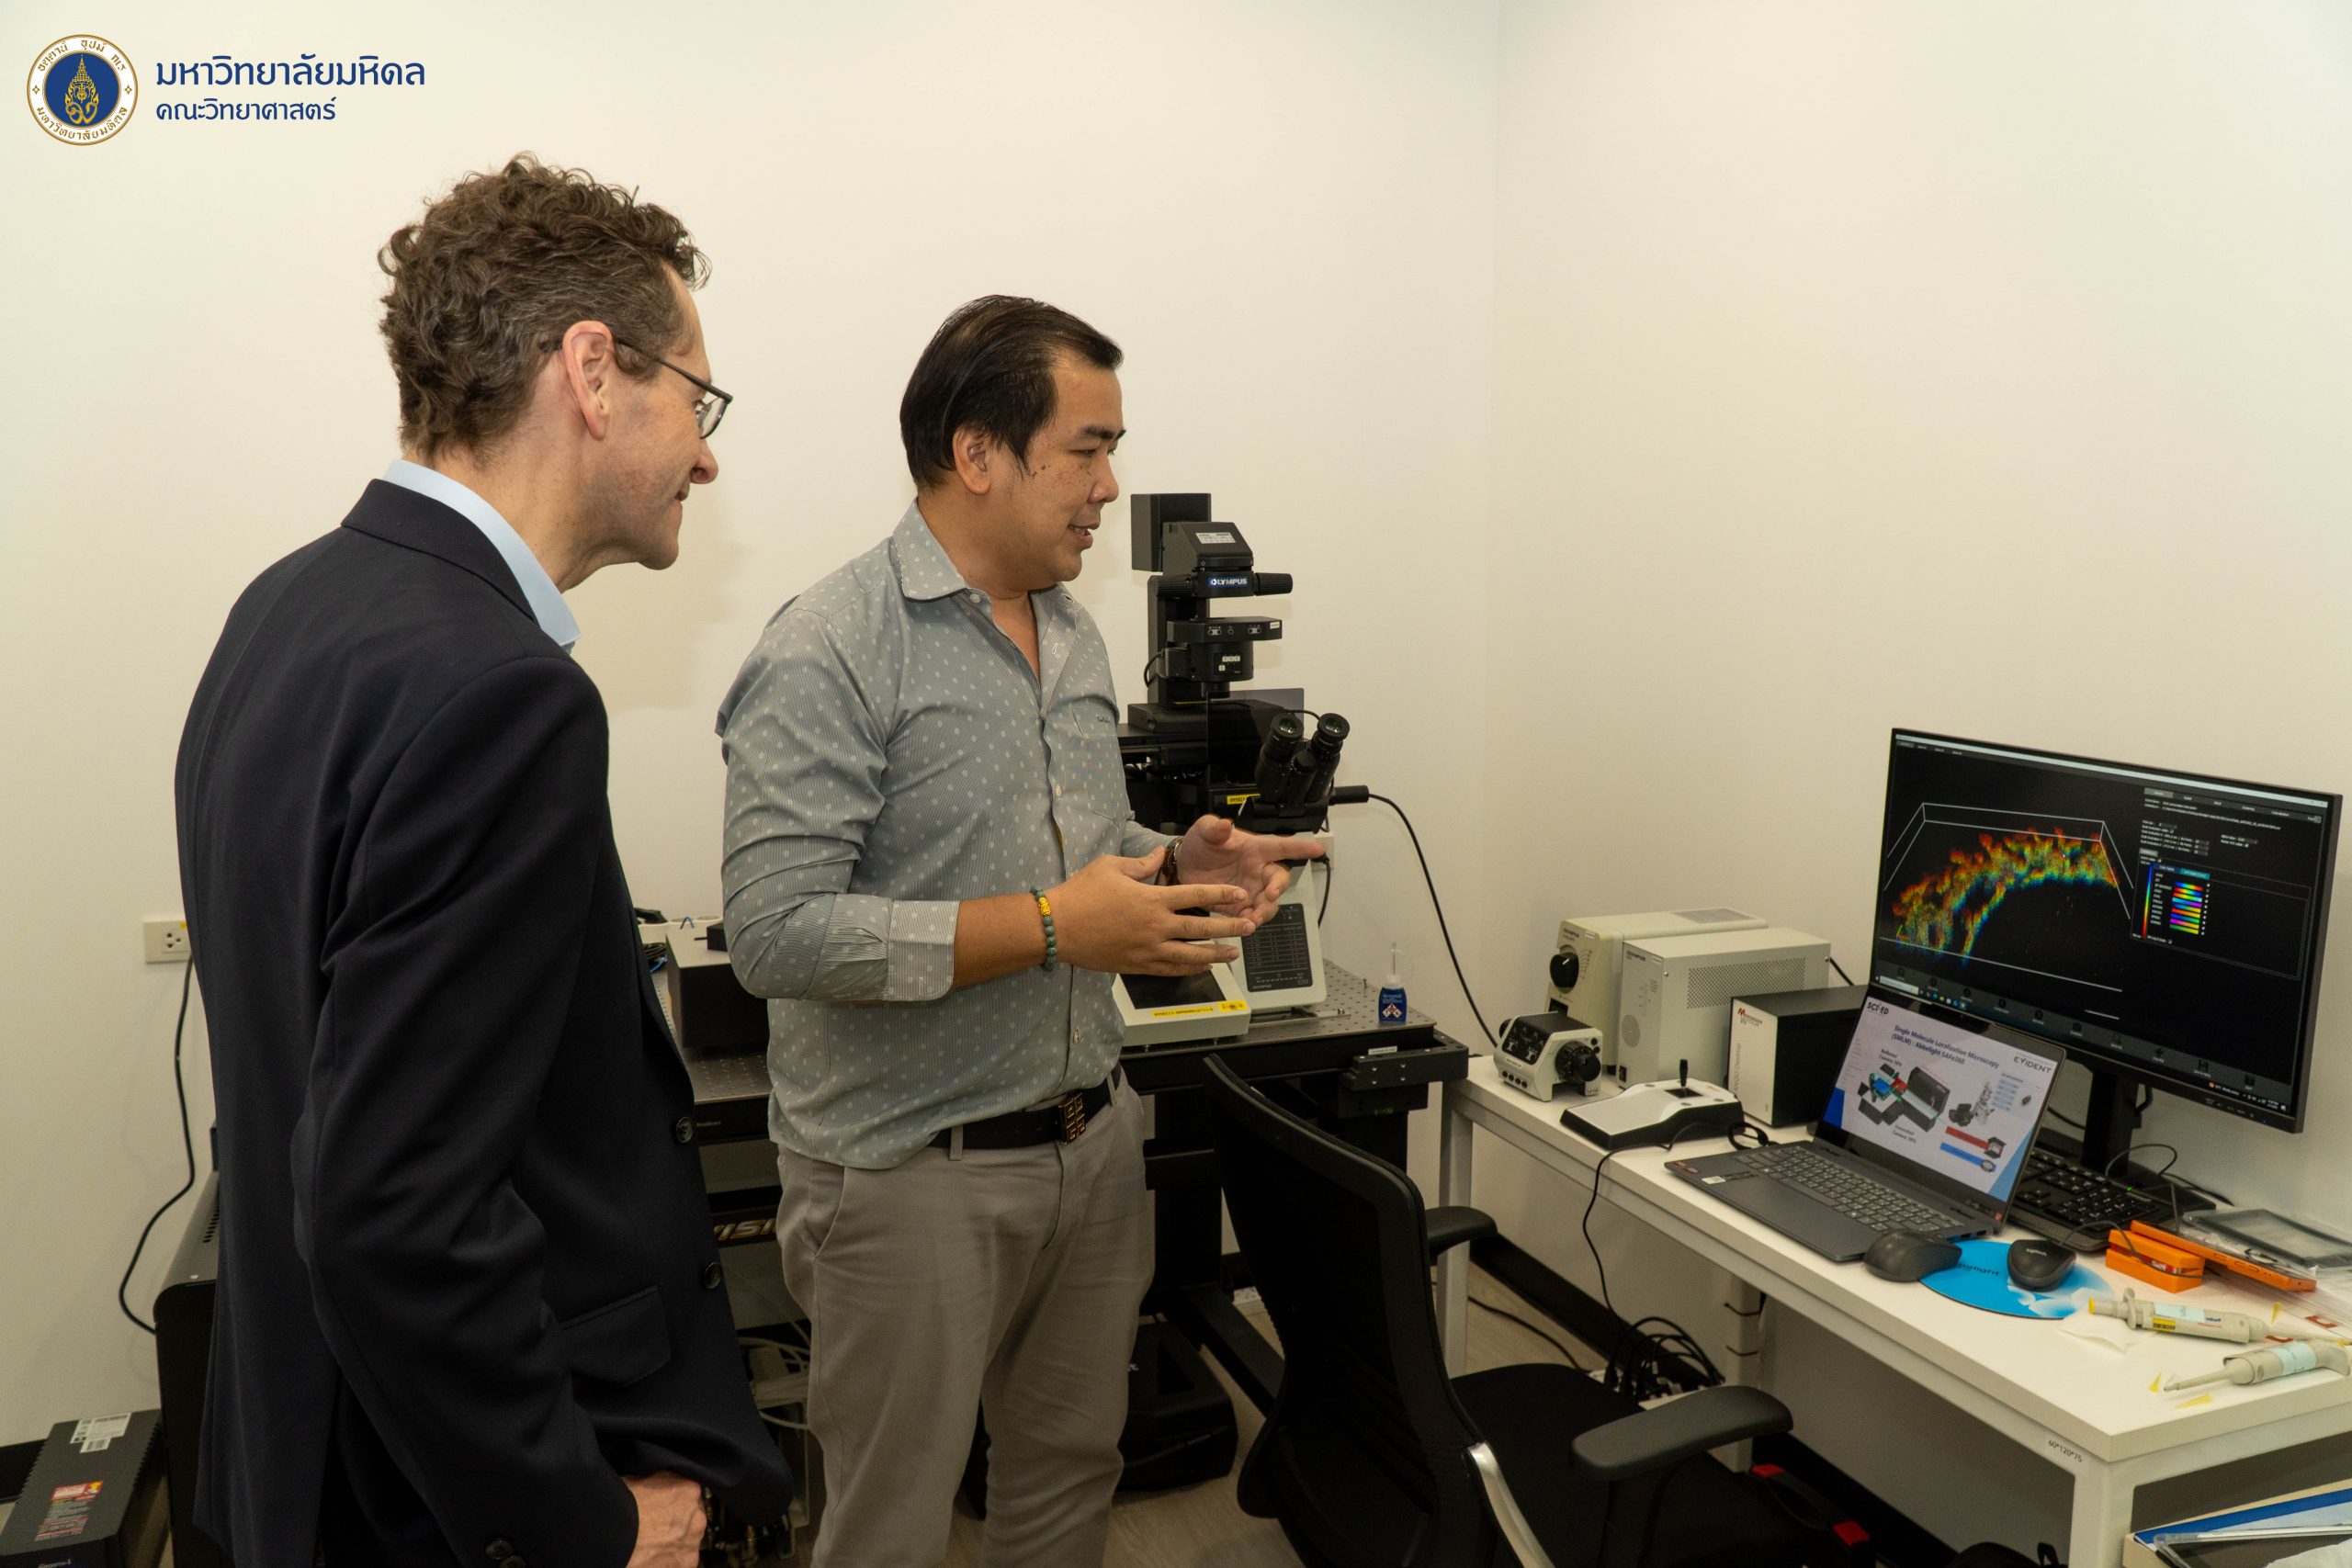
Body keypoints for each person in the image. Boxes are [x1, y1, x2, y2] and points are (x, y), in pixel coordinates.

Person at [175, 154, 791, 1568]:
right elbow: (392, 1207)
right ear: (594, 371)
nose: (706, 455)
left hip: (308, 1448)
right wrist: (581, 1521)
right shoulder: (500, 693)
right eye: (696, 401)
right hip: (453, 1495)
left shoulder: (287, 606)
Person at [717, 295, 1321, 1566]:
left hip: (1089, 1145)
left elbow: (1073, 856)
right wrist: (1055, 925)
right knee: (890, 1525)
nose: (1111, 486)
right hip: (906, 1174)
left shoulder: (1074, 634)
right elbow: (776, 934)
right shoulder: (832, 646)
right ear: (977, 452)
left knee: (1064, 1483)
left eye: (1114, 450)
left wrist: (1175, 864)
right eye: (1086, 450)